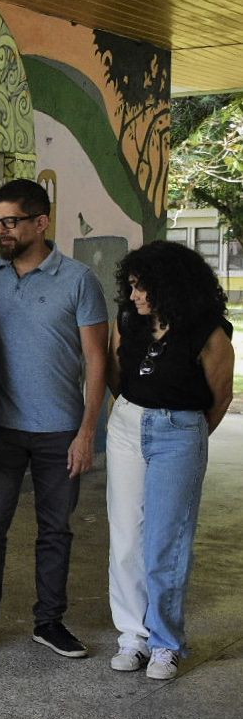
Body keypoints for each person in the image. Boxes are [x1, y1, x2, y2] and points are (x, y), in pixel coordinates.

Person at [0, 179, 108, 658]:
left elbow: (96, 361)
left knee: (55, 530)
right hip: (2, 428)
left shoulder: (79, 280)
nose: (1, 230)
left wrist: (87, 433)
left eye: (10, 221)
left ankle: (49, 622)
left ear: (41, 222)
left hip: (60, 432)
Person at [105, 241, 234, 681]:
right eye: (133, 286)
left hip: (179, 433)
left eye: (144, 288)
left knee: (166, 542)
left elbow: (219, 399)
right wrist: (128, 416)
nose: (135, 296)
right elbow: (115, 374)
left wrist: (186, 437)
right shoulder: (128, 320)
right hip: (126, 426)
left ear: (172, 287)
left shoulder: (209, 333)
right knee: (125, 538)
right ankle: (132, 637)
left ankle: (165, 643)